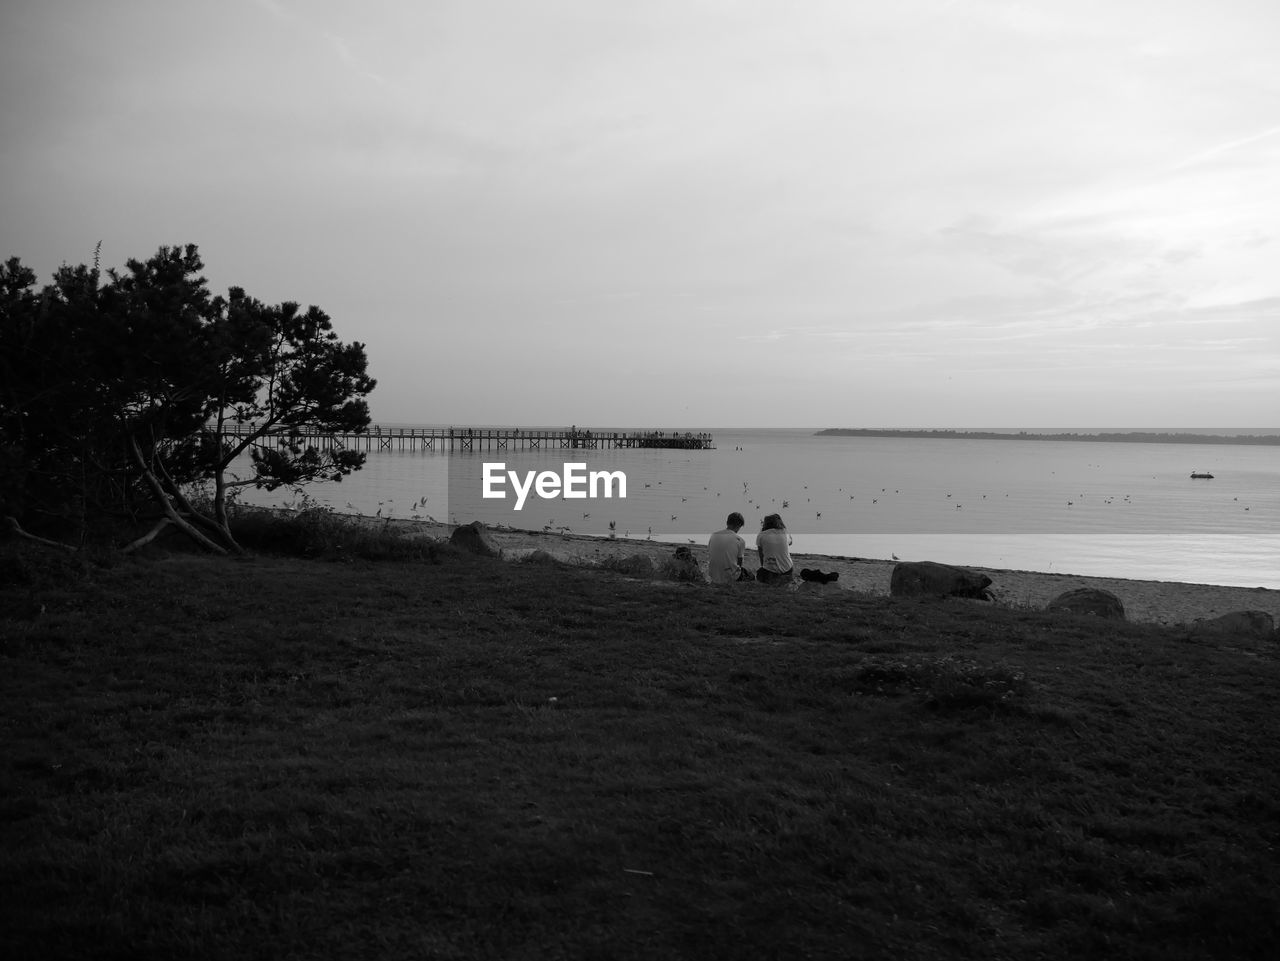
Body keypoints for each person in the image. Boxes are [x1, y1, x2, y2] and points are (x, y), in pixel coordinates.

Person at [708, 512, 749, 584]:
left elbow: (711, 553)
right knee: (749, 575)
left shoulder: (714, 535)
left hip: (713, 575)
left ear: (727, 522)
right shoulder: (740, 540)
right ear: (739, 525)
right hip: (731, 577)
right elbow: (740, 563)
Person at [755, 513, 794, 583]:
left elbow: (762, 557)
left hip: (770, 572)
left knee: (759, 573)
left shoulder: (761, 535)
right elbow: (791, 542)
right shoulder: (784, 532)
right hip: (788, 570)